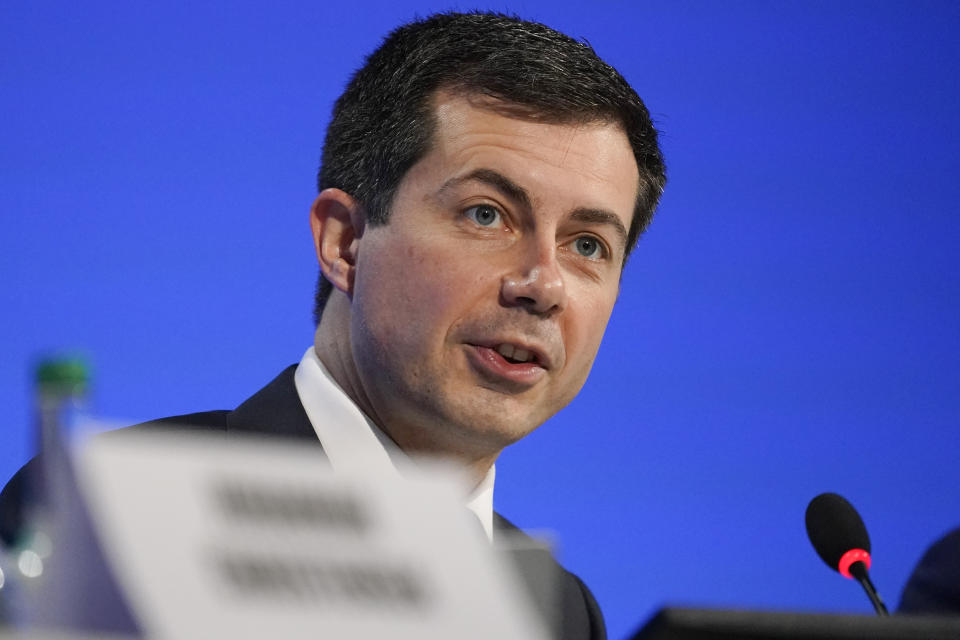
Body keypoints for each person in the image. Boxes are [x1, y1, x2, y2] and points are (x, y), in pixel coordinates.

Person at [1, 11, 666, 639]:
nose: (543, 284)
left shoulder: (557, 611)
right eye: (486, 215)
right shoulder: (114, 515)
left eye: (587, 246)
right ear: (345, 243)